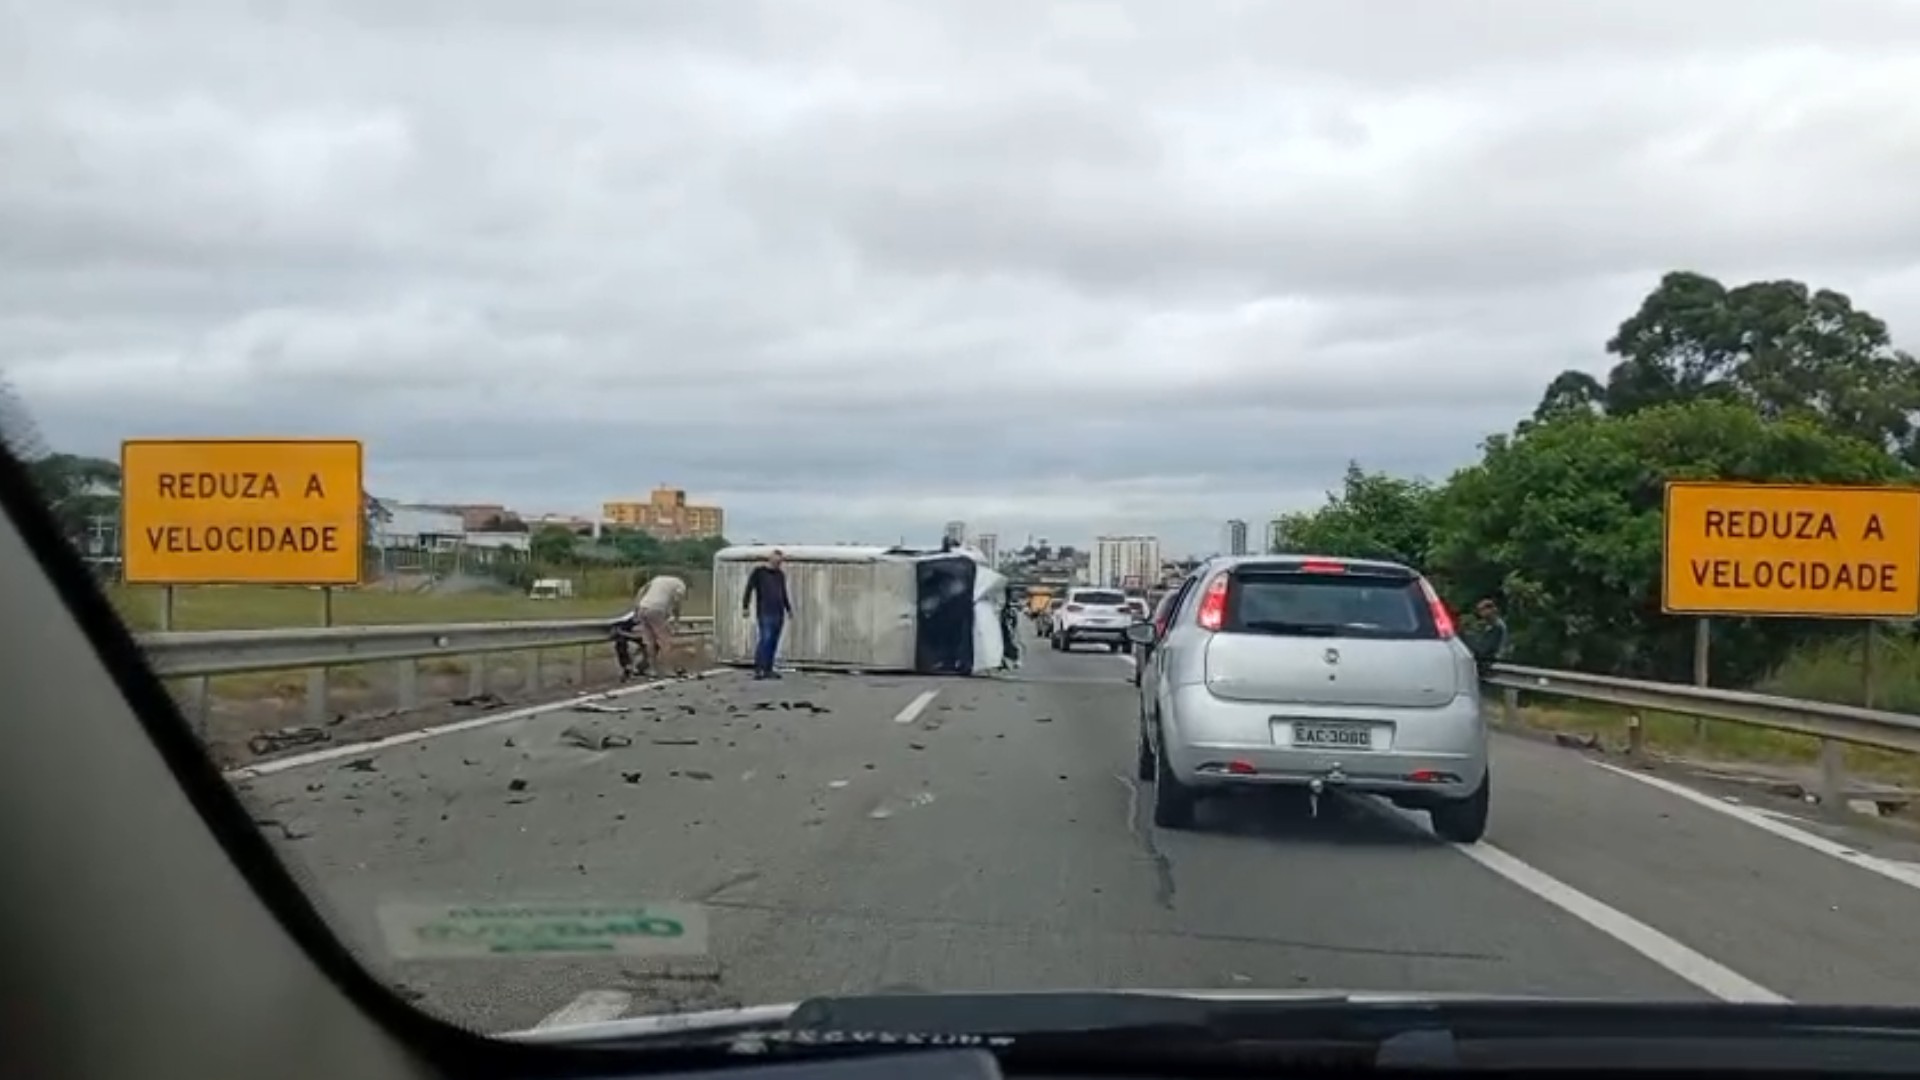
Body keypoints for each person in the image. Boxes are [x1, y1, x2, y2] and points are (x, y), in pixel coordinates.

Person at [741, 549, 793, 680]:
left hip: (778, 611)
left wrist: (788, 609)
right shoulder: (759, 572)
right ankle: (759, 669)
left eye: (780, 561)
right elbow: (749, 588)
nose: (778, 563)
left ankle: (768, 668)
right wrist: (745, 606)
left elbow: (783, 593)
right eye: (776, 560)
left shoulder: (780, 575)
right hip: (765, 611)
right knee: (765, 639)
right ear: (770, 559)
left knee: (774, 641)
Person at [630, 571, 688, 676]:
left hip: (643, 608)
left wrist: (636, 607)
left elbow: (641, 591)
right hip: (656, 609)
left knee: (649, 641)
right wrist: (676, 619)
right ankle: (668, 669)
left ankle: (652, 670)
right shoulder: (680, 585)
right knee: (666, 641)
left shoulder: (658, 578)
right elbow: (677, 601)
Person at [1462, 597, 1510, 672]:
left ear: (1490, 610)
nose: (1480, 613)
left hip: (1494, 664)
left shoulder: (1497, 627)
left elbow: (1486, 649)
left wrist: (1468, 639)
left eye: (1482, 610)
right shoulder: (1488, 626)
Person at [609, 608, 646, 681]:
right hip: (625, 635)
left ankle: (641, 667)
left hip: (637, 635)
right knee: (621, 644)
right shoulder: (626, 619)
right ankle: (627, 668)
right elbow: (617, 631)